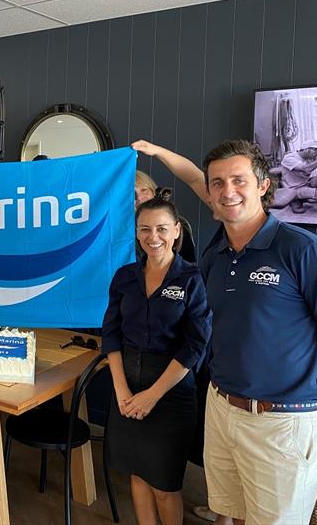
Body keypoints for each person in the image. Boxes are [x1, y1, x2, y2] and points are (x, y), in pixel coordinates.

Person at [132, 138, 317, 524]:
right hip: (221, 409)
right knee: (232, 514)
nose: (227, 191)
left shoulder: (306, 252)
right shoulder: (216, 255)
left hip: (279, 423)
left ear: (262, 186)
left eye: (238, 181)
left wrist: (306, 386)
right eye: (217, 183)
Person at [102, 197, 211, 525]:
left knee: (164, 485)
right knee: (136, 475)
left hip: (172, 391)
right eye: (145, 229)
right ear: (136, 233)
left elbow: (195, 345)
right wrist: (121, 390)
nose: (154, 237)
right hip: (126, 385)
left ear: (177, 231)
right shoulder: (124, 277)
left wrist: (152, 395)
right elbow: (111, 334)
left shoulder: (192, 278)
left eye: (162, 229)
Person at [135, 170, 196, 264]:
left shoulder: (178, 223)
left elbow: (188, 261)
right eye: (145, 229)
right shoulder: (117, 228)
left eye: (144, 190)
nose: (139, 197)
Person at [279, 140, 317, 213]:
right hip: (294, 189)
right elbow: (307, 169)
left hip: (306, 183)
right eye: (315, 150)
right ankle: (294, 200)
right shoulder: (290, 158)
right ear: (306, 150)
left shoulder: (310, 157)